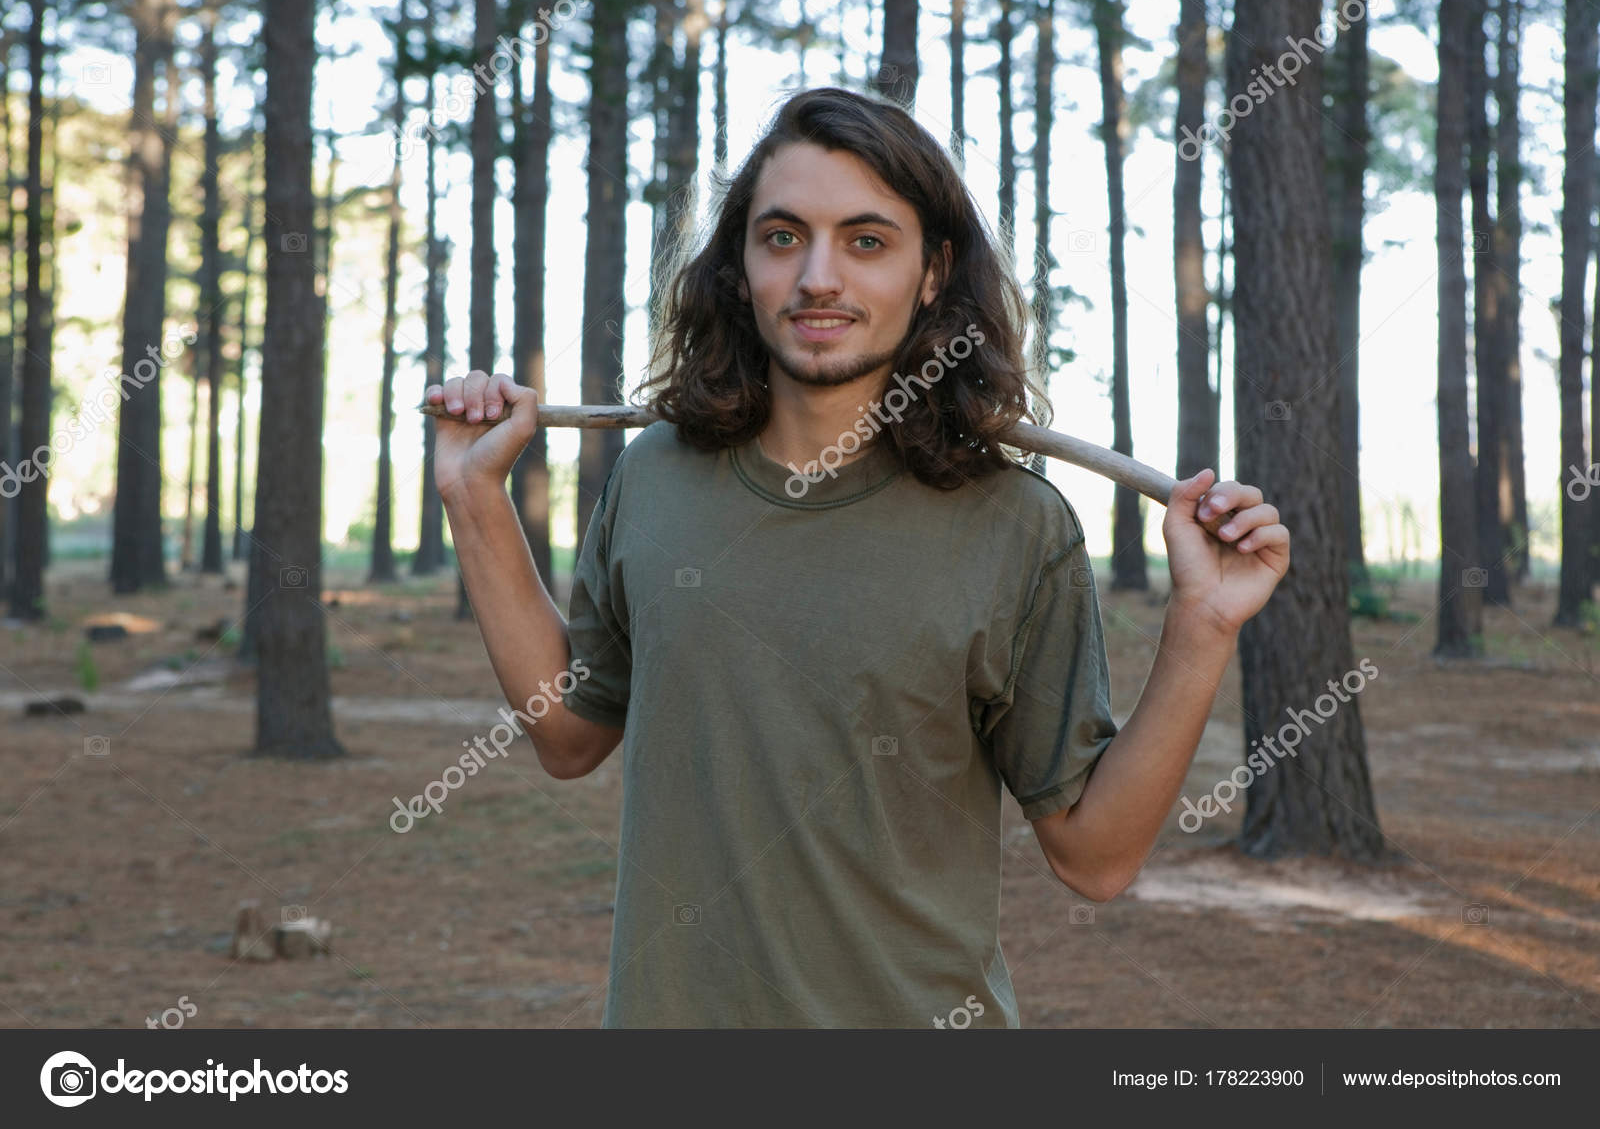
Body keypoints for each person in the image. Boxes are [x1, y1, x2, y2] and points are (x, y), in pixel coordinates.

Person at [426, 87, 1289, 1028]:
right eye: (783, 236)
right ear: (740, 263)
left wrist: (1204, 624)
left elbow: (1095, 857)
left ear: (933, 272)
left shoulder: (1015, 526)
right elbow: (568, 735)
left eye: (867, 241)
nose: (818, 278)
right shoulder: (655, 476)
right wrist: (475, 498)